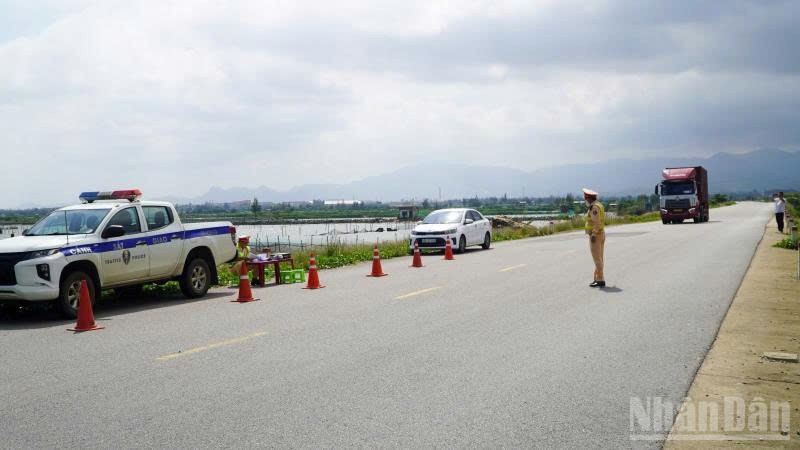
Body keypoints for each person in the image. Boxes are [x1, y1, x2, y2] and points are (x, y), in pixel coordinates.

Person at [583, 188, 606, 287]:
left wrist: (593, 234)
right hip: (600, 233)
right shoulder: (599, 204)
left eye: (585, 198)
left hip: (595, 235)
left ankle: (600, 280)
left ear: (588, 198)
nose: (585, 200)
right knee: (599, 258)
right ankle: (597, 278)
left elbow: (596, 222)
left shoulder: (594, 207)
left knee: (597, 259)